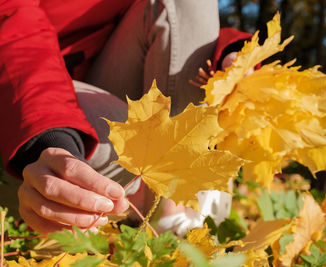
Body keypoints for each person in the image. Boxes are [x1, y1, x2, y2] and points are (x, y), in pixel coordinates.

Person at [0, 0, 251, 235]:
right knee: (126, 138)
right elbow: (11, 20)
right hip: (19, 100)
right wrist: (52, 137)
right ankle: (159, 212)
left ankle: (171, 213)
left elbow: (172, 14)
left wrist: (226, 54)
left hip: (97, 74)